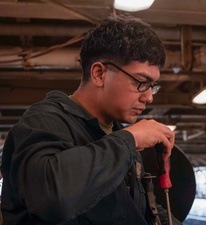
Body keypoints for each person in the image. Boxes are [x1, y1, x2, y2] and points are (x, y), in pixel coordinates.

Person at [1, 14, 182, 225]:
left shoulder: (115, 135)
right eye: (141, 82)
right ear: (99, 74)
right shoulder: (43, 122)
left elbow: (135, 211)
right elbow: (52, 198)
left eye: (153, 86)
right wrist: (129, 139)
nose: (148, 97)